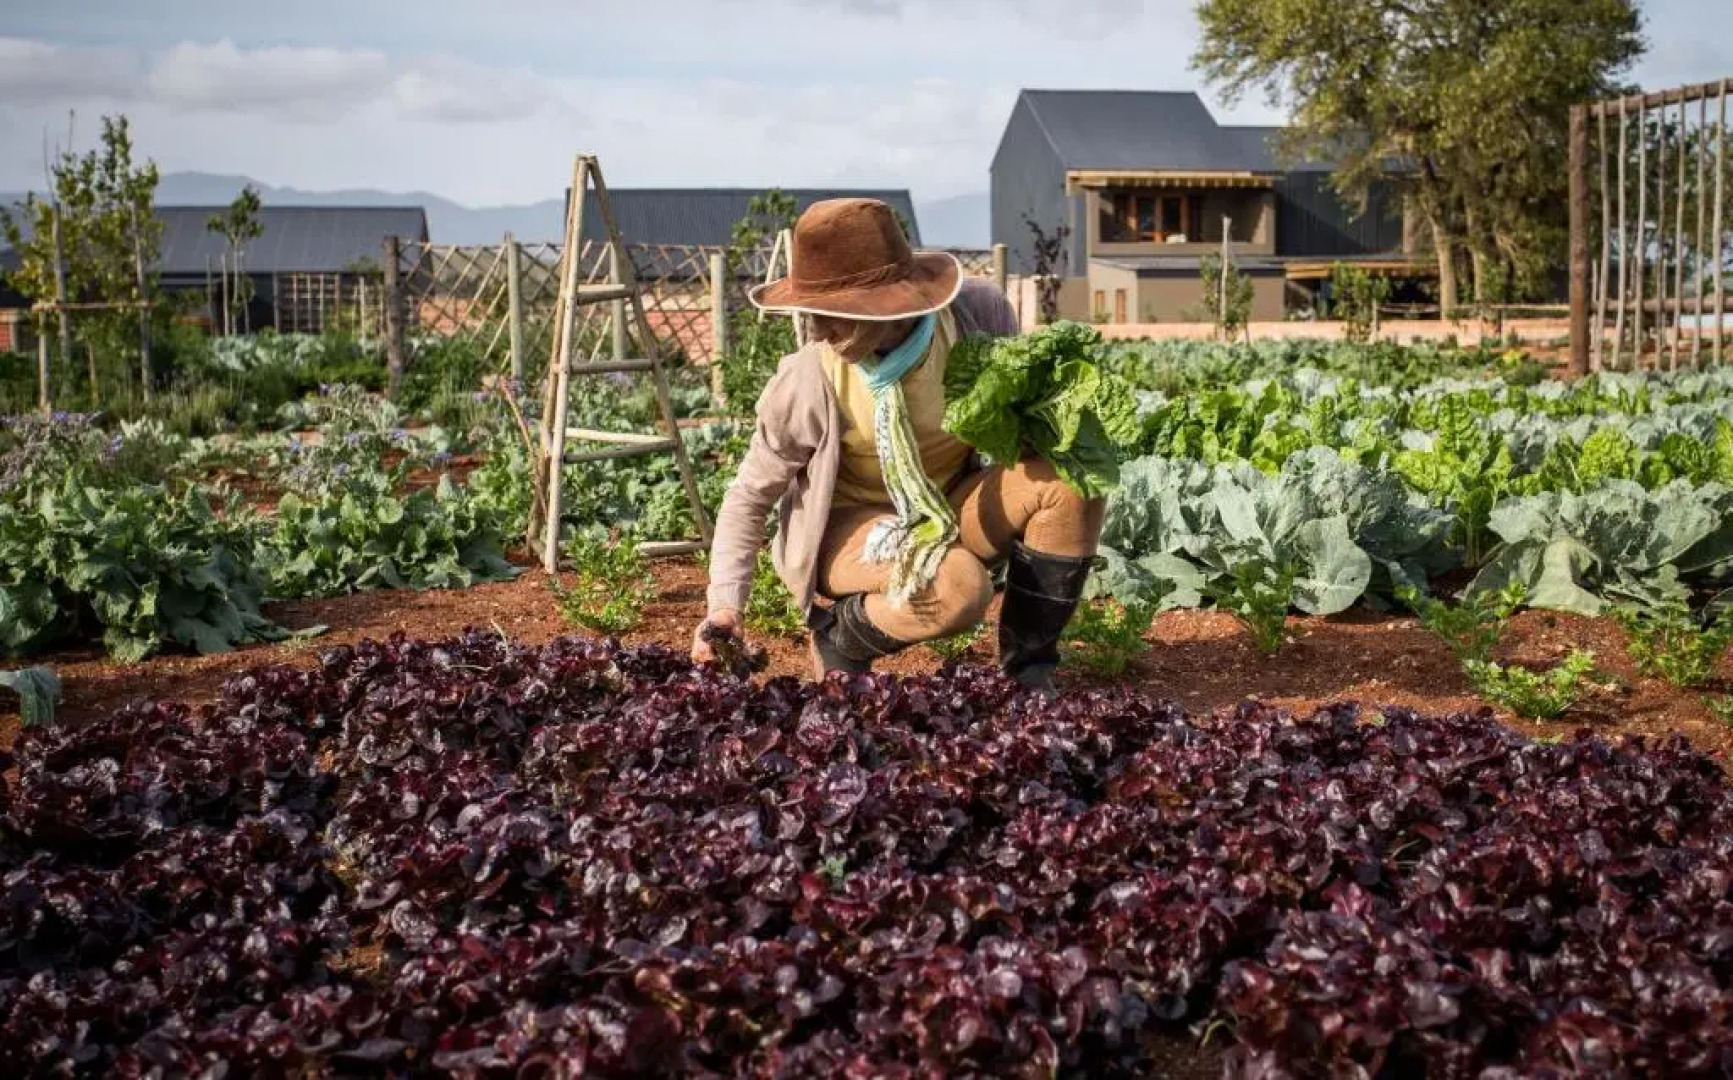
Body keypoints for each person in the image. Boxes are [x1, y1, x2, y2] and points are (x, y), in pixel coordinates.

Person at [690, 197, 1107, 690]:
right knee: (958, 587)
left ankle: (1030, 672)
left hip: (946, 503)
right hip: (850, 529)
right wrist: (723, 606)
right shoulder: (810, 378)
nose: (818, 329)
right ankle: (840, 639)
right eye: (813, 311)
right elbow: (750, 495)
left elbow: (1024, 420)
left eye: (834, 313)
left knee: (1073, 482)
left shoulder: (975, 318)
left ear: (889, 302)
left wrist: (1052, 421)